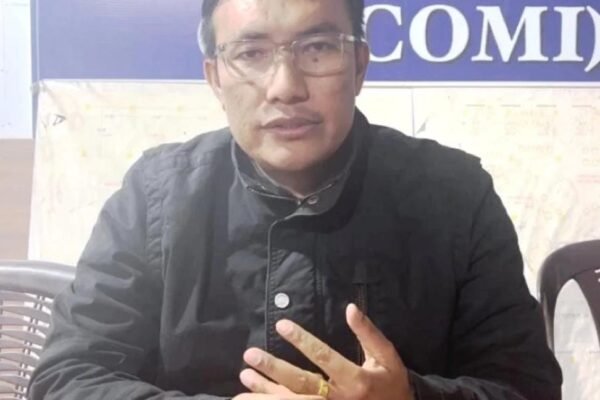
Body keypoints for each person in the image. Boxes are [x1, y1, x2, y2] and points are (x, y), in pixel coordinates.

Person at [28, 0, 562, 399]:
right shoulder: (155, 196)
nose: (285, 86)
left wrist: (411, 397)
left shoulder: (455, 195)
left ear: (359, 66)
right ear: (215, 77)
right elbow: (65, 379)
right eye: (251, 53)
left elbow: (528, 386)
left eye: (318, 48)